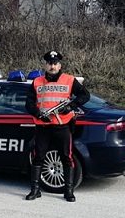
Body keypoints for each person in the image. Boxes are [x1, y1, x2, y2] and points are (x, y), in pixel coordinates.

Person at [25, 50, 90, 202]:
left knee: (66, 158)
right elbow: (28, 103)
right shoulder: (37, 82)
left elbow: (85, 95)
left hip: (62, 125)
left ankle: (68, 191)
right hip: (42, 125)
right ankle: (35, 190)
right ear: (45, 65)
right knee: (38, 157)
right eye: (49, 63)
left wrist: (71, 106)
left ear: (60, 65)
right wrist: (37, 113)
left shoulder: (69, 80)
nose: (52, 66)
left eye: (55, 63)